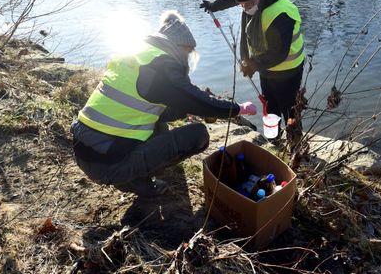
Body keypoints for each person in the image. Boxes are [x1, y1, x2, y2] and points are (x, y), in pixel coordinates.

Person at [70, 10, 256, 197]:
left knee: (160, 123)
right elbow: (197, 99)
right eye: (188, 52)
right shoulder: (162, 66)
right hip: (107, 163)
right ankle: (137, 181)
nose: (188, 57)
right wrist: (238, 109)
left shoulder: (139, 55)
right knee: (198, 134)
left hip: (84, 150)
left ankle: (131, 173)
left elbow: (147, 104)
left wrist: (184, 111)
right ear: (179, 46)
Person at [199, 0, 304, 143]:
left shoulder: (280, 13)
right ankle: (274, 141)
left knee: (290, 109)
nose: (246, 8)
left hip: (289, 69)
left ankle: (296, 146)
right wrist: (213, 5)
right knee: (270, 107)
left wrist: (253, 64)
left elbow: (279, 53)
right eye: (242, 5)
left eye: (249, 4)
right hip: (266, 68)